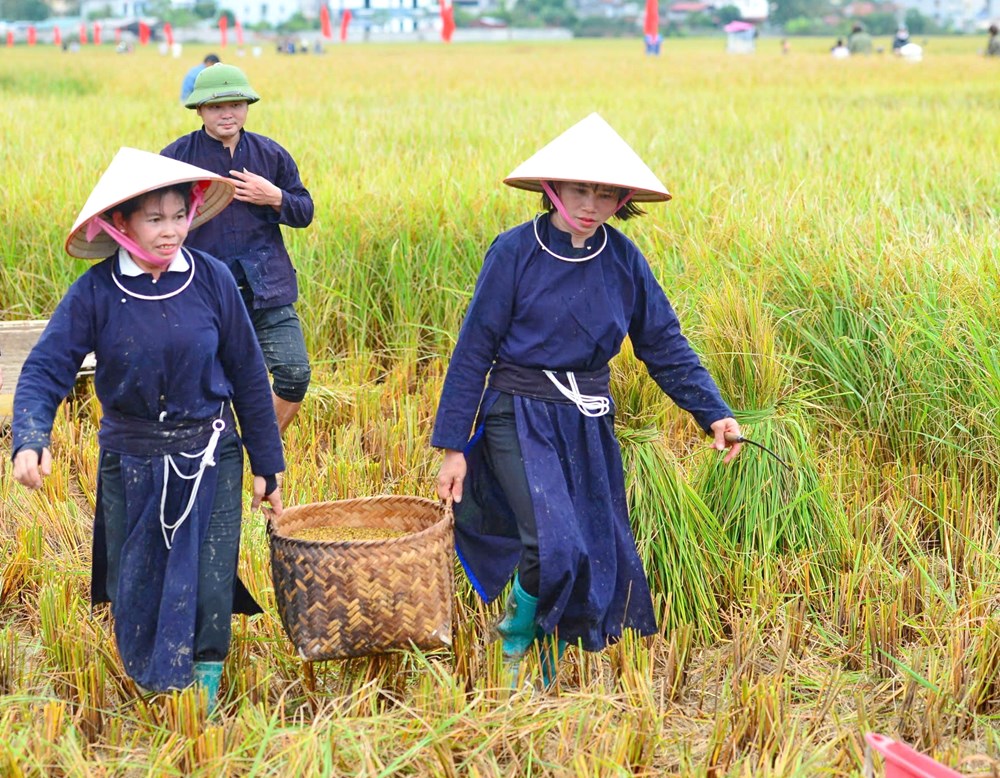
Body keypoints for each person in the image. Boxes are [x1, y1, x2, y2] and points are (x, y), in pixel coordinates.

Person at [432, 114, 743, 689]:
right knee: (554, 543)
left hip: (587, 421)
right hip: (516, 412)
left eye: (605, 193)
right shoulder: (514, 253)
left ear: (621, 198)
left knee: (589, 547)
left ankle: (541, 656)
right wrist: (453, 446)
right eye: (580, 189)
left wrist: (713, 412)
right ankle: (514, 644)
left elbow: (664, 343)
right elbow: (474, 348)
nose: (591, 203)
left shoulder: (624, 261)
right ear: (553, 188)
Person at [11, 148, 285, 712]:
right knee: (139, 586)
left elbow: (248, 372)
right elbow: (44, 369)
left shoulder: (209, 278)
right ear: (122, 224)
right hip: (131, 460)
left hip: (211, 452)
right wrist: (31, 436)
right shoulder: (96, 292)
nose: (170, 232)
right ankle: (155, 690)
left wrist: (267, 462)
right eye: (154, 219)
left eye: (179, 216)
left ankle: (201, 702)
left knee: (211, 583)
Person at [162, 64, 314, 435]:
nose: (227, 113)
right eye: (216, 106)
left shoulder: (271, 155)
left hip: (268, 289)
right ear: (199, 110)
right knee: (207, 386)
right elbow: (149, 220)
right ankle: (219, 454)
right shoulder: (175, 158)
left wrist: (274, 197)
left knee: (294, 374)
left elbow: (304, 211)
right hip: (203, 294)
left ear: (247, 106)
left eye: (235, 103)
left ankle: (257, 447)